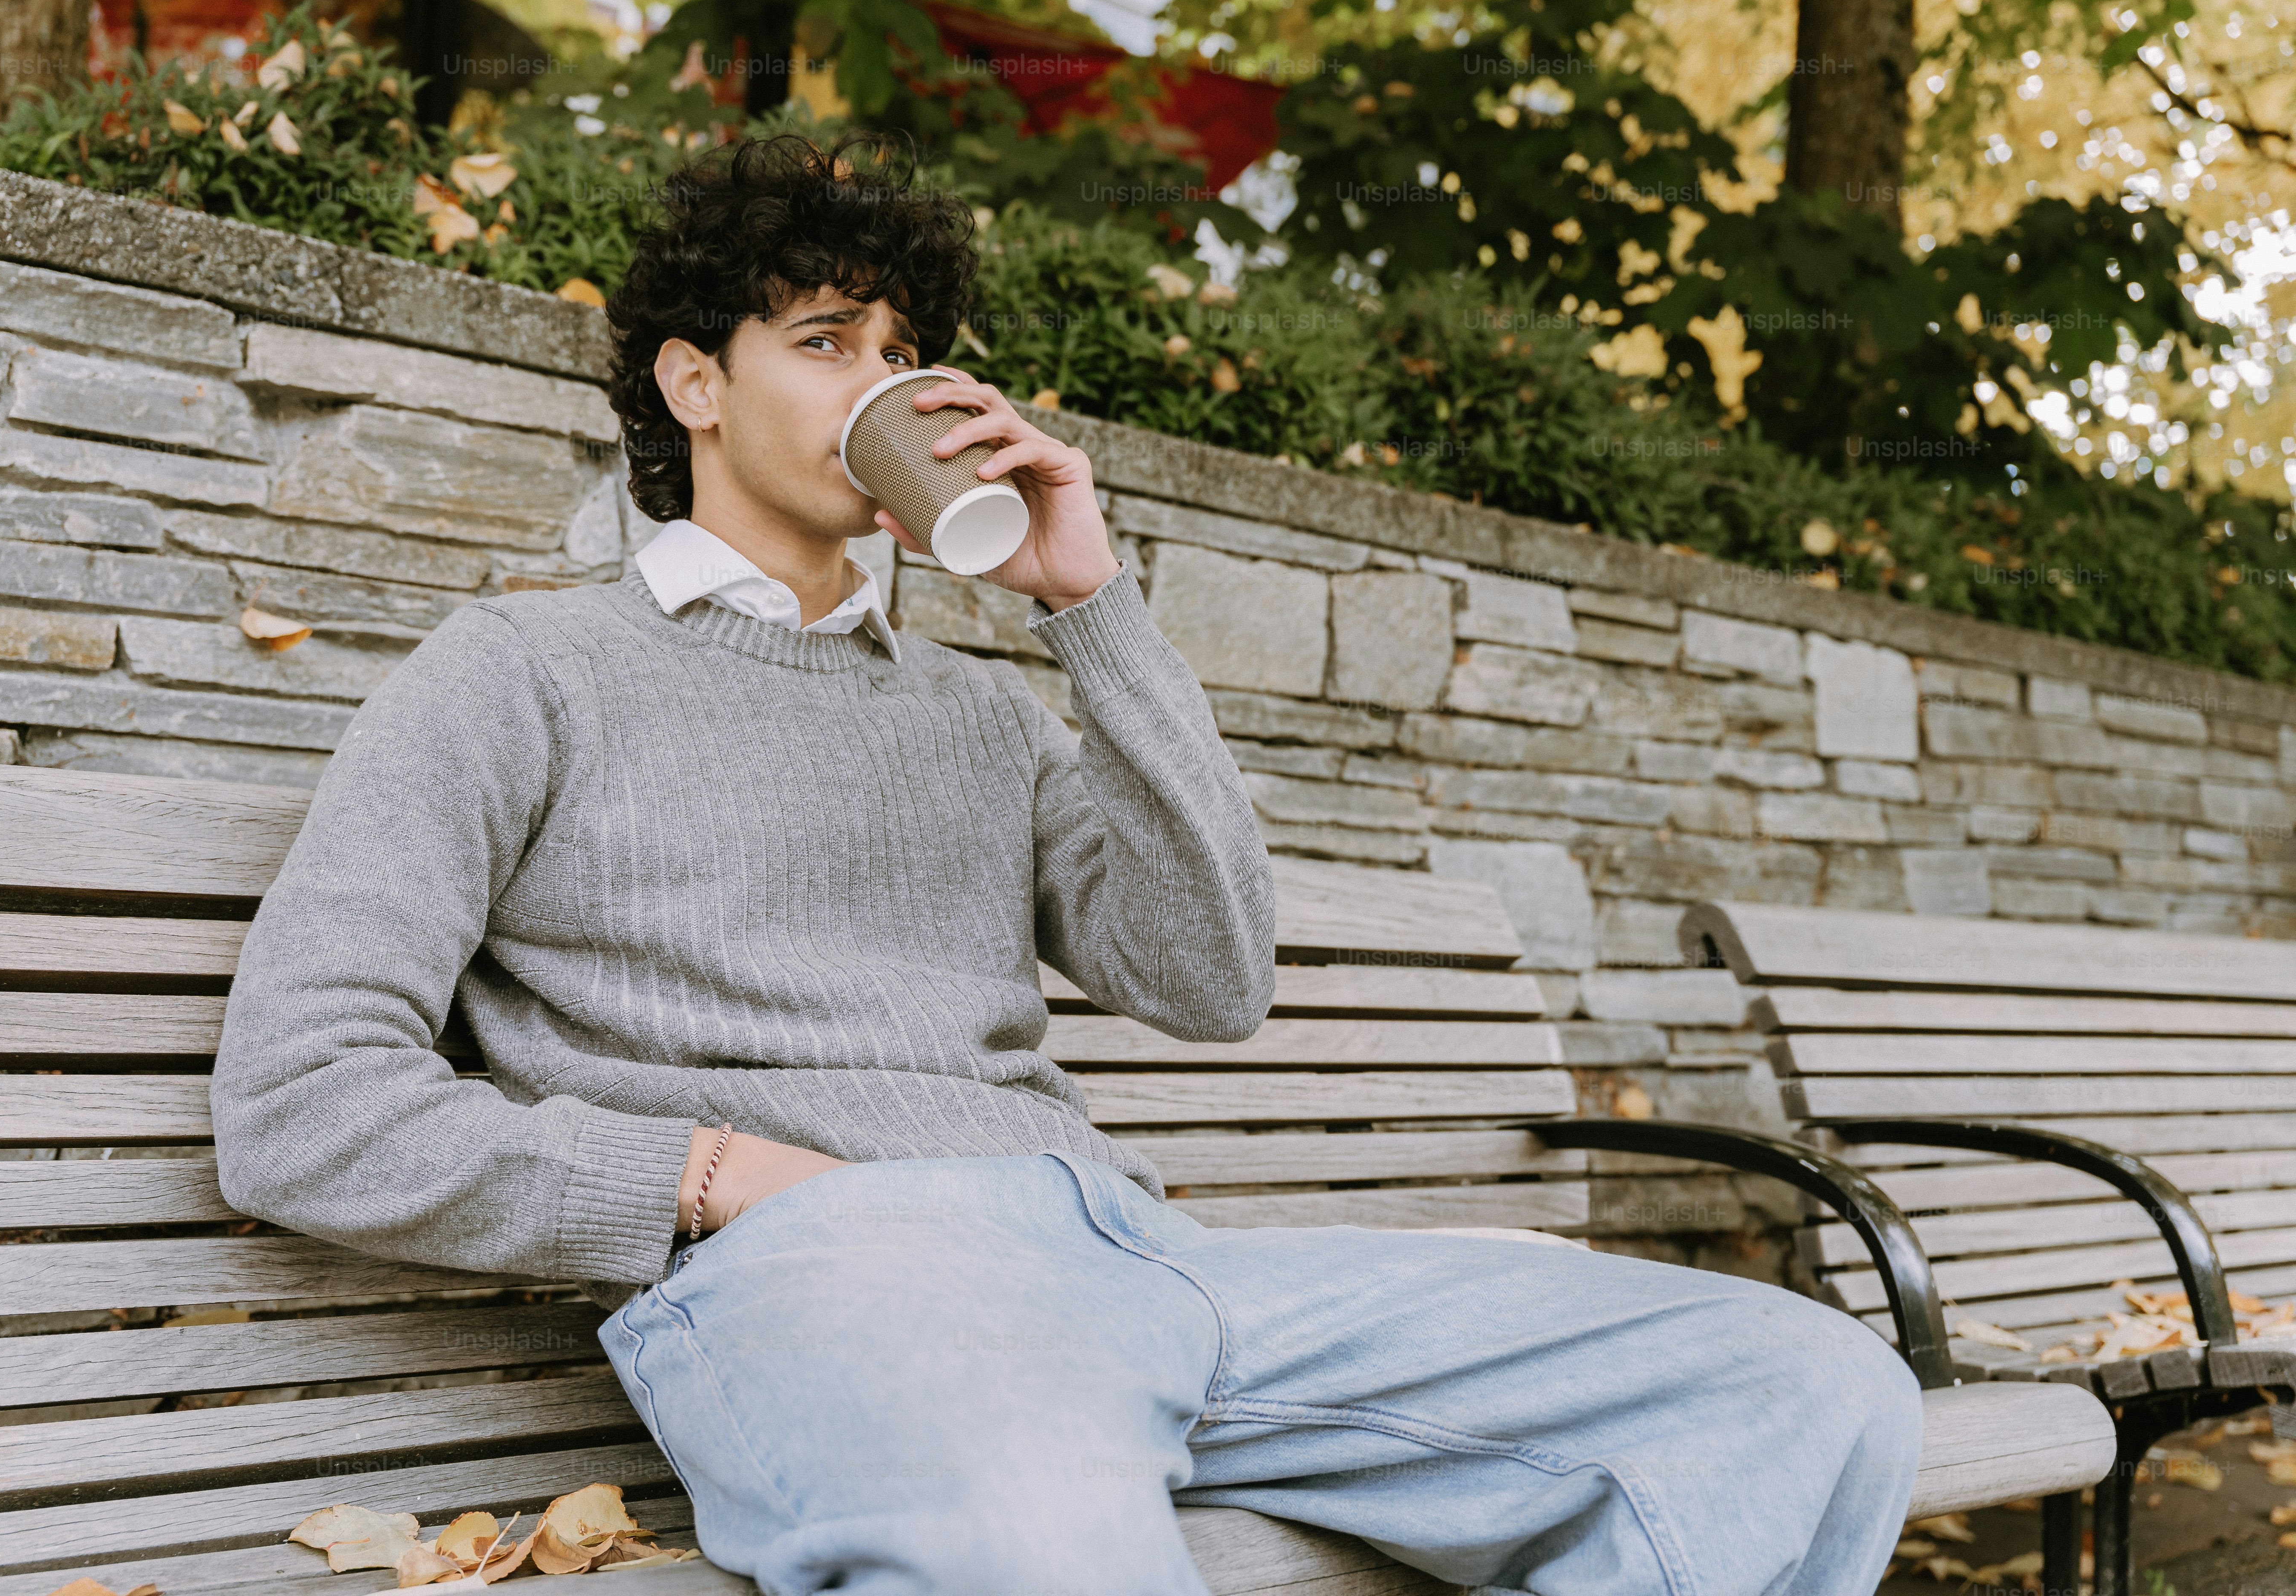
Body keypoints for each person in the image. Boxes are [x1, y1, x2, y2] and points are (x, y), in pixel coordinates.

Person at [211, 132, 1924, 1596]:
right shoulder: (520, 675)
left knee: (1809, 1388)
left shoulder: (981, 714)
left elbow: (1212, 974)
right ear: (694, 382)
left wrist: (1092, 607)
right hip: (845, 1276)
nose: (882, 383)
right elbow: (302, 1101)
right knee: (1049, 1541)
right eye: (825, 340)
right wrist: (719, 1173)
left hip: (1134, 1252)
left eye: (903, 349)